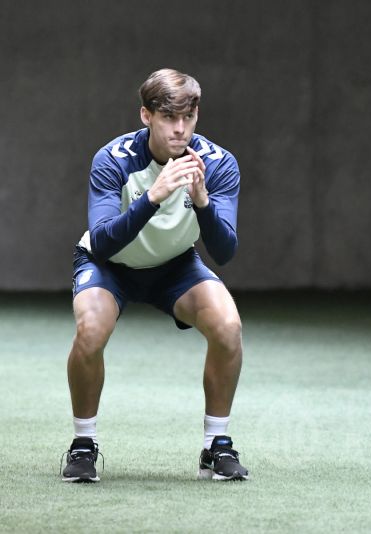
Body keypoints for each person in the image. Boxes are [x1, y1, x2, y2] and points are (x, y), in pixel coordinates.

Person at [61, 68, 249, 482]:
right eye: (168, 118)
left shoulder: (217, 164)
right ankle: (83, 443)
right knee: (90, 331)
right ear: (146, 115)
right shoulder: (113, 159)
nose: (179, 129)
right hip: (109, 265)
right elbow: (105, 241)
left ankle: (216, 445)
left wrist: (201, 201)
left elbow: (224, 251)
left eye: (188, 118)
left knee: (228, 327)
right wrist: (153, 197)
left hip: (174, 265)